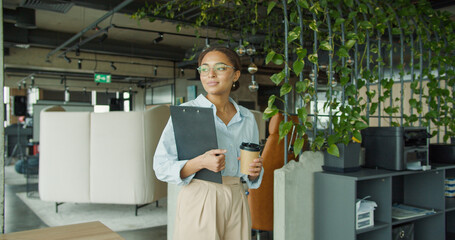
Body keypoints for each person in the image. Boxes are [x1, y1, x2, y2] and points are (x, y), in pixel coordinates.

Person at [154, 46, 264, 240]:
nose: (210, 74)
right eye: (204, 69)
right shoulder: (185, 113)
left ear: (236, 75)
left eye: (220, 68)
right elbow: (161, 166)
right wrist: (201, 163)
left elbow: (249, 171)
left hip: (237, 196)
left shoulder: (247, 118)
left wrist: (254, 172)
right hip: (200, 196)